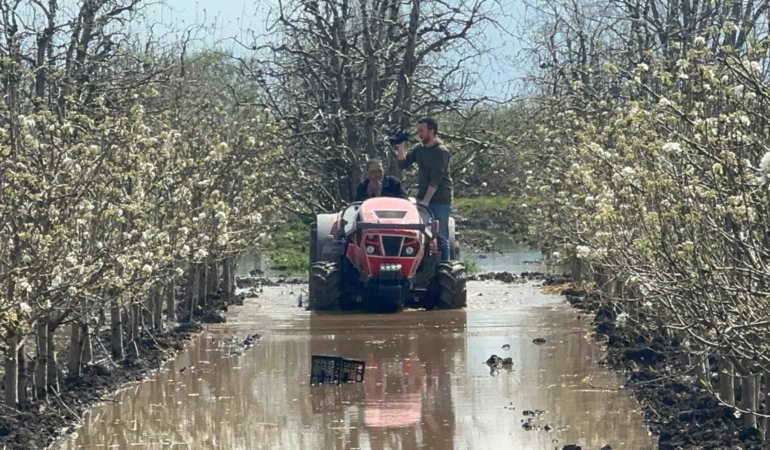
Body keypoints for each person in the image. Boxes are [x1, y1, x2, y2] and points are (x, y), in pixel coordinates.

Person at [394, 117, 453, 261]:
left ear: (431, 132)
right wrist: (400, 144)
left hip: (440, 199)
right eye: (418, 130)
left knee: (440, 237)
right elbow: (402, 164)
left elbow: (436, 179)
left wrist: (426, 202)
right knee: (420, 234)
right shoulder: (419, 149)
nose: (418, 133)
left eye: (422, 130)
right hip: (422, 197)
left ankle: (445, 267)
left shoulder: (441, 151)